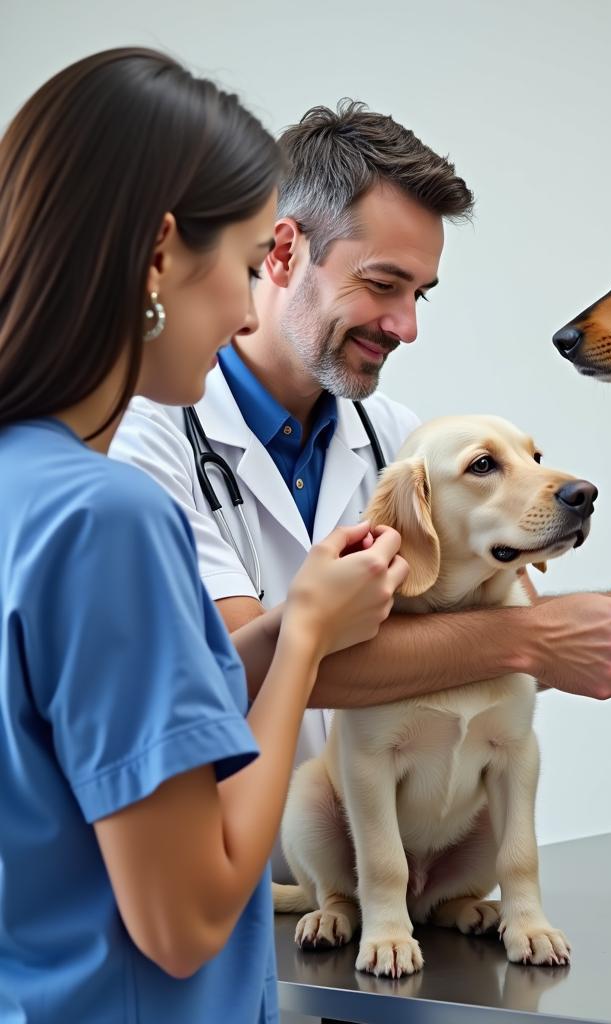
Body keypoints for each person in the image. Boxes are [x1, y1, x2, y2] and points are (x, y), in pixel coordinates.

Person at [110, 101, 611, 883]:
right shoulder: (148, 444)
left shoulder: (391, 435)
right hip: (203, 893)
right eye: (382, 284)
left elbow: (493, 628)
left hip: (369, 905)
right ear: (285, 252)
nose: (405, 327)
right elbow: (272, 668)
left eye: (420, 295)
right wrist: (530, 643)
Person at [0, 49, 408, 1022]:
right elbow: (184, 918)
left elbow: (88, 740)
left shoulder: (21, 488)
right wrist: (303, 639)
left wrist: (287, 624)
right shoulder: (108, 518)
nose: (240, 310)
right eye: (241, 261)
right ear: (157, 254)